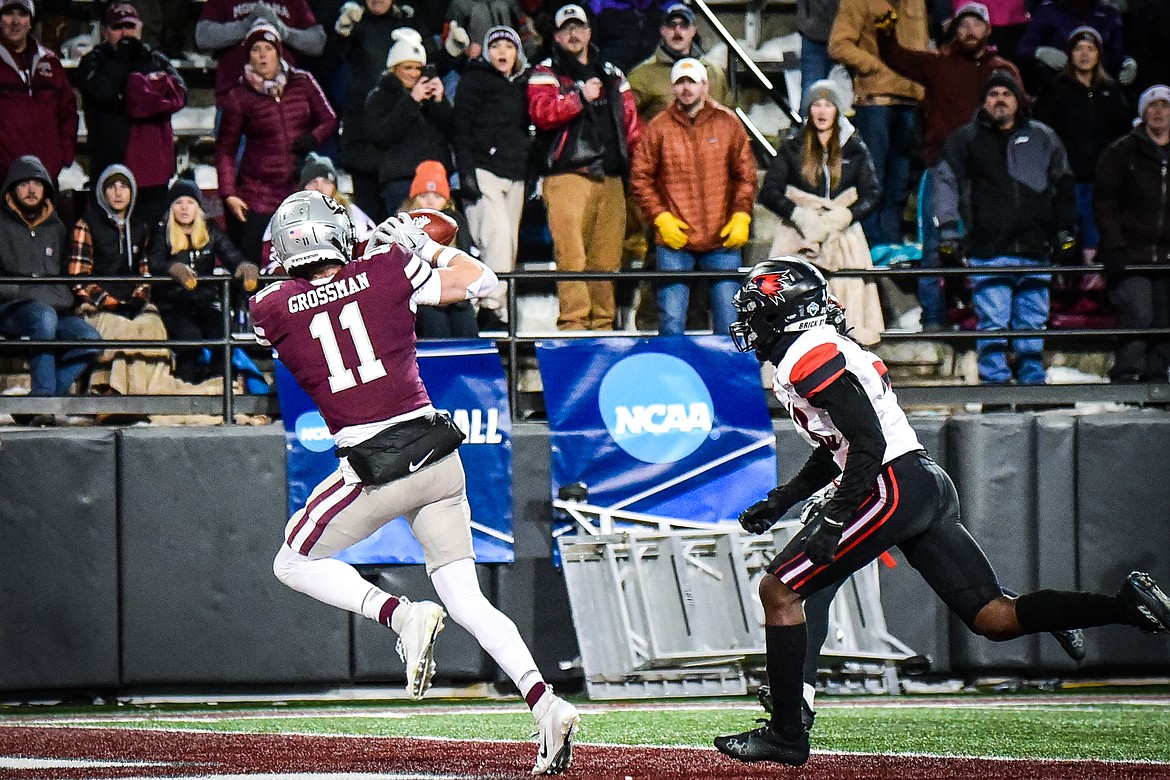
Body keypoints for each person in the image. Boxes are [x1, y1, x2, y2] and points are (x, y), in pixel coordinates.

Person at [713, 256, 1170, 766]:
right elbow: (838, 443)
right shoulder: (816, 348)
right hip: (918, 480)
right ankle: (1126, 607)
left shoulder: (806, 356)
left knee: (780, 587)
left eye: (755, 309)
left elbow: (867, 441)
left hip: (889, 483)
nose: (749, 320)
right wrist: (784, 499)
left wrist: (837, 516)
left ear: (784, 309)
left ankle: (787, 732)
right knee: (994, 617)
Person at [251, 191, 581, 774]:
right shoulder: (385, 268)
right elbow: (483, 282)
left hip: (372, 466)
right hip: (435, 457)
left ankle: (399, 616)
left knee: (292, 561)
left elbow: (292, 297)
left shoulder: (270, 306)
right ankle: (544, 701)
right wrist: (420, 246)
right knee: (466, 598)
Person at [876, 1, 1023, 330]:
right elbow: (897, 58)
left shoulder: (1004, 71)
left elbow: (1022, 119)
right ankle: (933, 319)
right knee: (934, 248)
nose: (970, 31)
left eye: (977, 24)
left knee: (986, 250)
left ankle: (979, 320)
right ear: (955, 29)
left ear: (988, 29)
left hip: (989, 176)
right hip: (942, 170)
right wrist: (885, 34)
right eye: (963, 24)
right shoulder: (939, 65)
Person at [934, 70, 1076, 385]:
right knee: (994, 323)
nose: (1000, 100)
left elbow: (1063, 184)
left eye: (1007, 94)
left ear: (1018, 100)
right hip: (989, 248)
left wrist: (1066, 229)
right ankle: (995, 387)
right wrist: (948, 230)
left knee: (1032, 324)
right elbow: (945, 182)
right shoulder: (965, 139)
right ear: (984, 102)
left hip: (1036, 247)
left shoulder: (1043, 137)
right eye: (993, 94)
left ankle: (1032, 385)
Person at [528, 3, 641, 331]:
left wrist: (637, 165)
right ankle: (575, 327)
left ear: (590, 32)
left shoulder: (613, 73)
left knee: (606, 261)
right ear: (557, 35)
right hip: (568, 176)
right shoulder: (546, 71)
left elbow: (632, 125)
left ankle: (603, 325)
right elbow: (541, 112)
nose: (573, 34)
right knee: (572, 259)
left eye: (579, 27)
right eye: (566, 29)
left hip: (612, 176)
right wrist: (579, 97)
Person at [629, 58, 754, 337]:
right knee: (671, 323)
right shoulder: (658, 127)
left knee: (729, 324)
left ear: (705, 85)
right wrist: (661, 218)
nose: (686, 88)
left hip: (722, 236)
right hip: (675, 240)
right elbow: (641, 178)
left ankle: (726, 380)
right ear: (672, 88)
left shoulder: (728, 123)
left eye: (692, 81)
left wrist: (741, 214)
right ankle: (673, 379)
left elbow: (745, 175)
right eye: (680, 82)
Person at [759, 80, 884, 346]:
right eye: (816, 104)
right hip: (797, 236)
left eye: (828, 104)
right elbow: (769, 191)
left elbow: (872, 193)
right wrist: (799, 215)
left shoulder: (855, 148)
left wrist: (844, 215)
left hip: (845, 238)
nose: (822, 110)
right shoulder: (792, 148)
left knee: (847, 299)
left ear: (838, 110)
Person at [216, 21, 338, 266]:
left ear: (278, 52)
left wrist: (312, 139)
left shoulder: (303, 80)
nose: (262, 55)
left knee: (302, 258)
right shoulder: (238, 95)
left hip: (299, 188)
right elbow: (225, 151)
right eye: (255, 49)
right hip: (258, 193)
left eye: (268, 48)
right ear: (248, 56)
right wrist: (229, 193)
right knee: (255, 262)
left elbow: (330, 119)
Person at [0, 155, 100, 419]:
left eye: (37, 183)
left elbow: (63, 274)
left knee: (90, 339)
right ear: (11, 188)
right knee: (42, 317)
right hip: (11, 309)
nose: (31, 189)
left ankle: (38, 403)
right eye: (24, 183)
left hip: (54, 309)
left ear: (46, 188)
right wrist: (24, 292)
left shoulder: (56, 227)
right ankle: (44, 400)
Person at [327, 0, 446, 222]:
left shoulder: (409, 20)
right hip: (366, 144)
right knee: (372, 224)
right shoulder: (356, 24)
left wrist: (450, 53)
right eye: (407, 67)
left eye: (415, 67)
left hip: (403, 161)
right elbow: (329, 59)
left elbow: (434, 59)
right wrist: (342, 33)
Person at [77, 1, 187, 228]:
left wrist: (138, 78)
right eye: (117, 28)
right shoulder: (93, 61)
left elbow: (180, 95)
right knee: (108, 240)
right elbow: (103, 92)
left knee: (150, 240)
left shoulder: (154, 58)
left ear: (140, 29)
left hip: (151, 172)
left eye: (130, 26)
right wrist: (123, 62)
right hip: (110, 169)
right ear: (105, 32)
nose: (125, 33)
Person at [452, 25, 531, 332]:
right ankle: (490, 306)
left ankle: (500, 313)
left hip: (517, 174)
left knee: (508, 244)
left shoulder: (524, 84)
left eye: (509, 47)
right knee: (495, 235)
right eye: (496, 46)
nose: (502, 52)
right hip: (483, 168)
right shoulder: (474, 79)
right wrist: (466, 173)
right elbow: (461, 127)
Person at [828, 0, 926, 248]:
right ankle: (870, 244)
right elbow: (838, 44)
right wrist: (873, 66)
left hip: (911, 99)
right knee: (874, 178)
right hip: (875, 101)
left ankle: (890, 244)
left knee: (900, 182)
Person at [68, 164, 169, 397]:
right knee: (121, 330)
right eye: (112, 186)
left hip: (130, 303)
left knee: (153, 326)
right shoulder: (87, 224)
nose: (118, 192)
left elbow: (144, 272)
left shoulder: (139, 227)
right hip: (97, 305)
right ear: (103, 192)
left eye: (123, 186)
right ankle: (112, 393)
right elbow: (78, 276)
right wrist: (109, 302)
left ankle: (150, 394)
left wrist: (138, 299)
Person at [1033, 26, 1131, 265]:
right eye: (1078, 48)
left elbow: (1122, 134)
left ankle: (1091, 291)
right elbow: (1042, 132)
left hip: (1101, 179)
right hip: (1065, 178)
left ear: (1099, 54)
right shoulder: (1056, 89)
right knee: (1066, 235)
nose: (1084, 54)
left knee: (1095, 238)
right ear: (1070, 54)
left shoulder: (1111, 91)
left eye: (1090, 48)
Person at [147, 178, 259, 384]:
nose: (184, 208)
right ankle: (185, 388)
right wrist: (174, 269)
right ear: (171, 208)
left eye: (190, 203)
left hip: (204, 301)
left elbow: (230, 254)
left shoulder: (210, 229)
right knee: (190, 339)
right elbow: (154, 261)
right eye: (178, 203)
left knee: (221, 333)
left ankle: (220, 387)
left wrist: (244, 267)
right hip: (173, 304)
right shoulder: (162, 231)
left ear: (198, 207)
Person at [1093, 85, 1170, 384]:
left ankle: (1156, 380)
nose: (1159, 111)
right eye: (1153, 106)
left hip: (1166, 255)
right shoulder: (1122, 152)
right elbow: (1105, 202)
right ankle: (1126, 377)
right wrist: (1114, 247)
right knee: (1139, 313)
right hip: (1130, 254)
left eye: (1165, 105)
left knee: (1164, 321)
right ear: (1143, 113)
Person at [364, 27, 455, 227]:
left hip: (436, 182)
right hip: (401, 182)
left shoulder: (430, 96)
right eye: (407, 68)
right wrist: (412, 101)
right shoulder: (379, 96)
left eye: (418, 68)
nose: (414, 74)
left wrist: (440, 102)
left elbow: (451, 133)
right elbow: (383, 135)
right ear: (394, 68)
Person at [397, 160, 479, 338]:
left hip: (456, 295)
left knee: (465, 322)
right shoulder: (402, 223)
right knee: (432, 322)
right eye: (424, 195)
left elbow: (464, 254)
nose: (430, 201)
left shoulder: (456, 220)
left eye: (437, 196)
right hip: (423, 295)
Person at [0, 0, 77, 184]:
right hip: (4, 180)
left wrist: (63, 156)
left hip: (46, 178)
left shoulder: (50, 62)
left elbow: (68, 112)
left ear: (31, 22)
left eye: (22, 14)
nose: (16, 21)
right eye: (9, 14)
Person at [196, 0, 325, 100]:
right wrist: (247, 24)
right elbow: (203, 37)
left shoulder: (292, 2)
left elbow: (317, 42)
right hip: (235, 100)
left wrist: (283, 31)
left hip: (283, 102)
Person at [626, 3, 729, 122]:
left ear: (694, 30)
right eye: (672, 25)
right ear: (662, 30)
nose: (677, 30)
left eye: (684, 25)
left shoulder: (713, 72)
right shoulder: (642, 74)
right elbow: (625, 117)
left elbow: (727, 114)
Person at [1018, 0, 1134, 87]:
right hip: (1060, 84)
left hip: (1100, 85)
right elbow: (1023, 48)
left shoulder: (1109, 12)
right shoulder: (1048, 10)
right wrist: (1040, 52)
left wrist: (1128, 62)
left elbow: (1117, 53)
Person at [795, 0, 841, 102]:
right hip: (815, 34)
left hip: (855, 35)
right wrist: (805, 22)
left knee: (864, 95)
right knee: (811, 94)